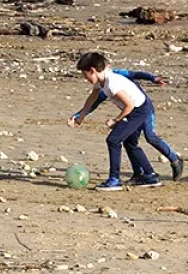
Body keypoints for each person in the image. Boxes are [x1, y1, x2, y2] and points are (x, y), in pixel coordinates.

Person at [69, 51, 170, 188]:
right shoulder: (100, 80)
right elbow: (93, 97)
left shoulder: (112, 83)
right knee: (129, 142)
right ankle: (150, 176)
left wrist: (115, 121)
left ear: (92, 71)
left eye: (85, 74)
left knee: (113, 140)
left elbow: (130, 105)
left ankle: (114, 179)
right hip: (136, 109)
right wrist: (81, 116)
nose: (85, 78)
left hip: (138, 110)